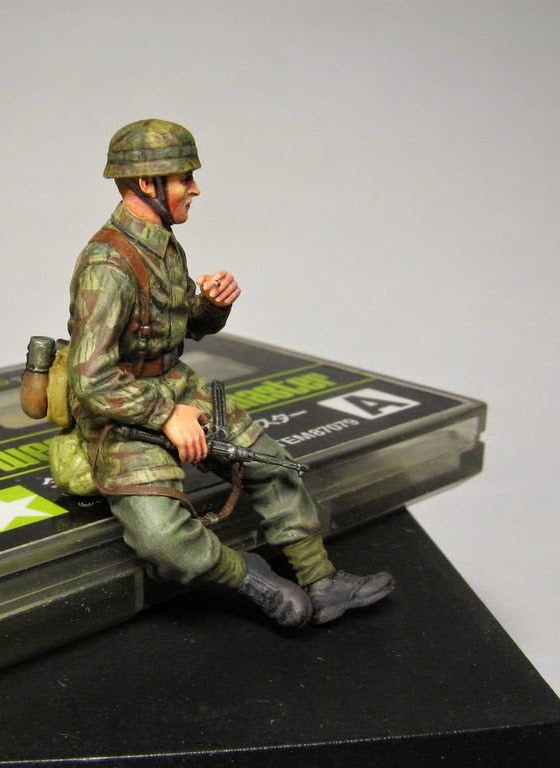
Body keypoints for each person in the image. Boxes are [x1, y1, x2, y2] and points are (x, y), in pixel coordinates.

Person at [65, 118, 393, 628]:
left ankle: (320, 578)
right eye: (185, 178)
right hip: (121, 409)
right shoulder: (107, 265)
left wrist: (210, 306)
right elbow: (90, 379)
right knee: (164, 540)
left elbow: (177, 329)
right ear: (147, 183)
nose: (195, 189)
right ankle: (246, 574)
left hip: (175, 384)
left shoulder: (163, 245)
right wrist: (166, 415)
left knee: (272, 464)